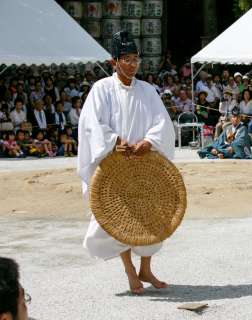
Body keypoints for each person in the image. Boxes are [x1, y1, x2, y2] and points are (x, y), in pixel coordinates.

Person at [78, 31, 175, 294]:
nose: (132, 64)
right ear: (114, 62)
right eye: (127, 59)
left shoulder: (147, 90)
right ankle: (130, 270)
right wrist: (113, 141)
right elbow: (91, 124)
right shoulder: (102, 89)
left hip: (144, 164)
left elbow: (162, 123)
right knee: (118, 218)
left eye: (136, 59)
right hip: (115, 166)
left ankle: (145, 268)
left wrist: (149, 141)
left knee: (150, 216)